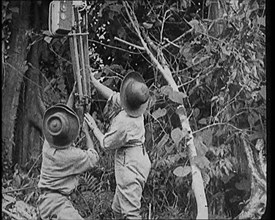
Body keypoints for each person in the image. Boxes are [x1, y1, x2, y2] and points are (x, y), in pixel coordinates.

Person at [84, 70, 151, 219]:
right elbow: (113, 96)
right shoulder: (136, 107)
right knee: (118, 209)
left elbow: (106, 143)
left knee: (130, 213)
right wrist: (94, 82)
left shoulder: (125, 123)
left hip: (130, 166)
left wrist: (94, 128)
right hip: (138, 158)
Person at [37, 86, 99, 220]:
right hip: (57, 204)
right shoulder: (71, 156)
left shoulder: (48, 144)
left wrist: (71, 97)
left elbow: (61, 122)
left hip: (45, 201)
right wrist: (87, 133)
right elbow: (93, 158)